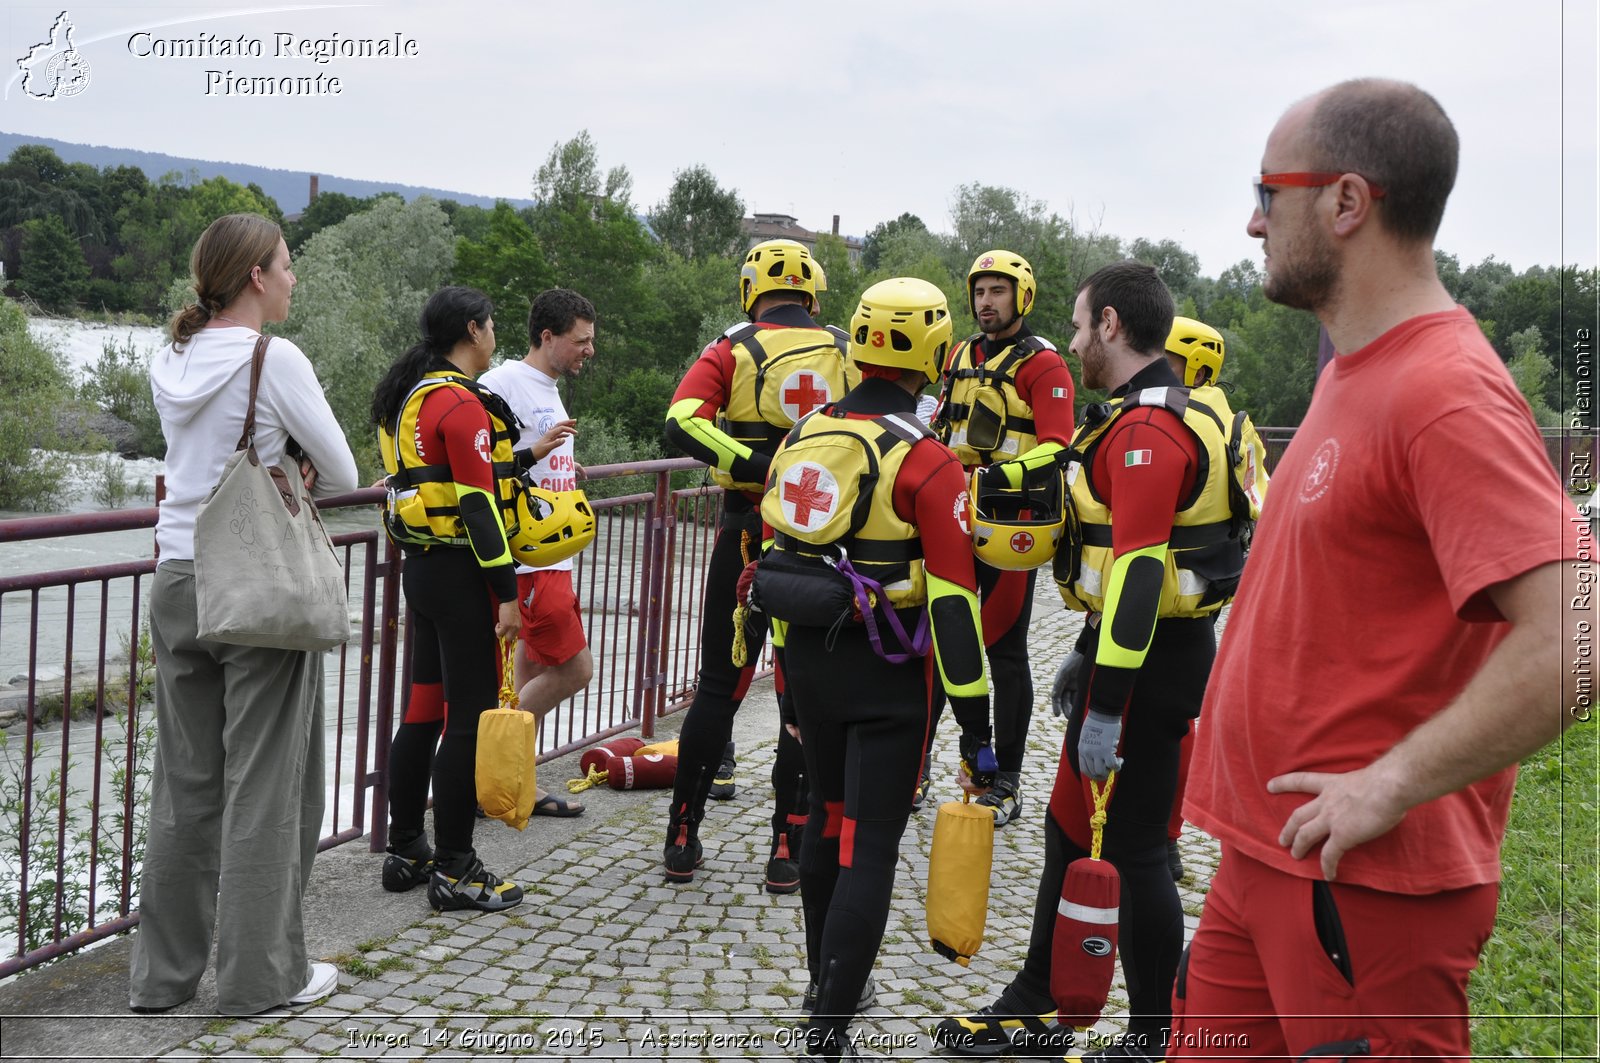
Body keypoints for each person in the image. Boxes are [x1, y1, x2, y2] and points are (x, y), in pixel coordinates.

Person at [1171, 79, 1588, 1060]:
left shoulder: (1441, 390)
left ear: (1347, 203)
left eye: (1268, 192)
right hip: (1268, 862)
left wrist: (1393, 780)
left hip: (1365, 890)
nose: (1250, 220)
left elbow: (1580, 627)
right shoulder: (1355, 365)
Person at [938, 261, 1240, 1059]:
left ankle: (1152, 1036)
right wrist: (1083, 648)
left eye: (1078, 325)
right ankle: (1040, 998)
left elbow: (1141, 569)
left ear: (1109, 324)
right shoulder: (1165, 410)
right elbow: (1135, 568)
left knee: (1137, 850)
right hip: (1134, 651)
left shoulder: (1144, 431)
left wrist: (1107, 703)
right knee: (1071, 826)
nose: (1072, 341)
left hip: (1146, 668)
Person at [757, 277, 994, 1061]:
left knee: (823, 820)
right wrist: (978, 731)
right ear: (933, 350)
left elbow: (775, 553)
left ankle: (827, 986)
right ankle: (828, 1032)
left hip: (806, 660)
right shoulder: (929, 462)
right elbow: (955, 604)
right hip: (890, 675)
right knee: (871, 842)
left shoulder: (803, 433)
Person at [131, 212, 357, 1015]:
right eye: (288, 267)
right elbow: (342, 465)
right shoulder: (274, 357)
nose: (295, 279)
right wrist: (287, 454)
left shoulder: (173, 353)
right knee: (266, 783)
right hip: (254, 584)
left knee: (185, 783)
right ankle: (261, 978)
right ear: (256, 276)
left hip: (177, 574)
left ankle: (160, 978)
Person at [659, 238, 851, 893]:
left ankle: (682, 836)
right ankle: (787, 846)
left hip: (746, 530)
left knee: (720, 686)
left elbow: (682, 421)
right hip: (823, 539)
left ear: (750, 290)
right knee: (804, 695)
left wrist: (752, 465)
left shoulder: (732, 346)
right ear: (814, 292)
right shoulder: (846, 347)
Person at [372, 285, 526, 913]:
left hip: (422, 570)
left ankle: (408, 847)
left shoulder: (413, 397)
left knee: (423, 711)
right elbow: (478, 504)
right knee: (467, 719)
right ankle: (458, 869)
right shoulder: (461, 406)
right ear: (472, 329)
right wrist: (507, 592)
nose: (495, 335)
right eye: (491, 325)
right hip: (462, 577)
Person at [925, 250, 1076, 824]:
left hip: (1011, 520)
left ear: (1022, 297)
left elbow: (1057, 444)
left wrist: (992, 477)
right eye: (980, 291)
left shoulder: (1043, 364)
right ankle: (917, 766)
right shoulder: (960, 353)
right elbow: (942, 421)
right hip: (956, 511)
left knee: (1005, 651)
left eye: (998, 291)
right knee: (940, 639)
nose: (987, 301)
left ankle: (1006, 778)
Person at [1159, 316, 1269, 883]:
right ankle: (1169, 838)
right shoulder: (1238, 426)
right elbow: (1258, 501)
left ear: (1191, 366)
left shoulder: (1174, 421)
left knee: (1148, 726)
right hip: (1202, 603)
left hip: (1159, 601)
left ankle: (1138, 834)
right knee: (1180, 726)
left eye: (1166, 357)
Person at [479, 288, 597, 818]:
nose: (588, 351)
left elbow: (532, 458)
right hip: (529, 562)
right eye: (580, 341)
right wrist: (537, 457)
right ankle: (480, 769)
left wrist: (565, 471)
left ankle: (508, 785)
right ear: (547, 337)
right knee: (576, 671)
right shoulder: (501, 383)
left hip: (552, 555)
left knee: (523, 680)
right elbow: (482, 463)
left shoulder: (546, 386)